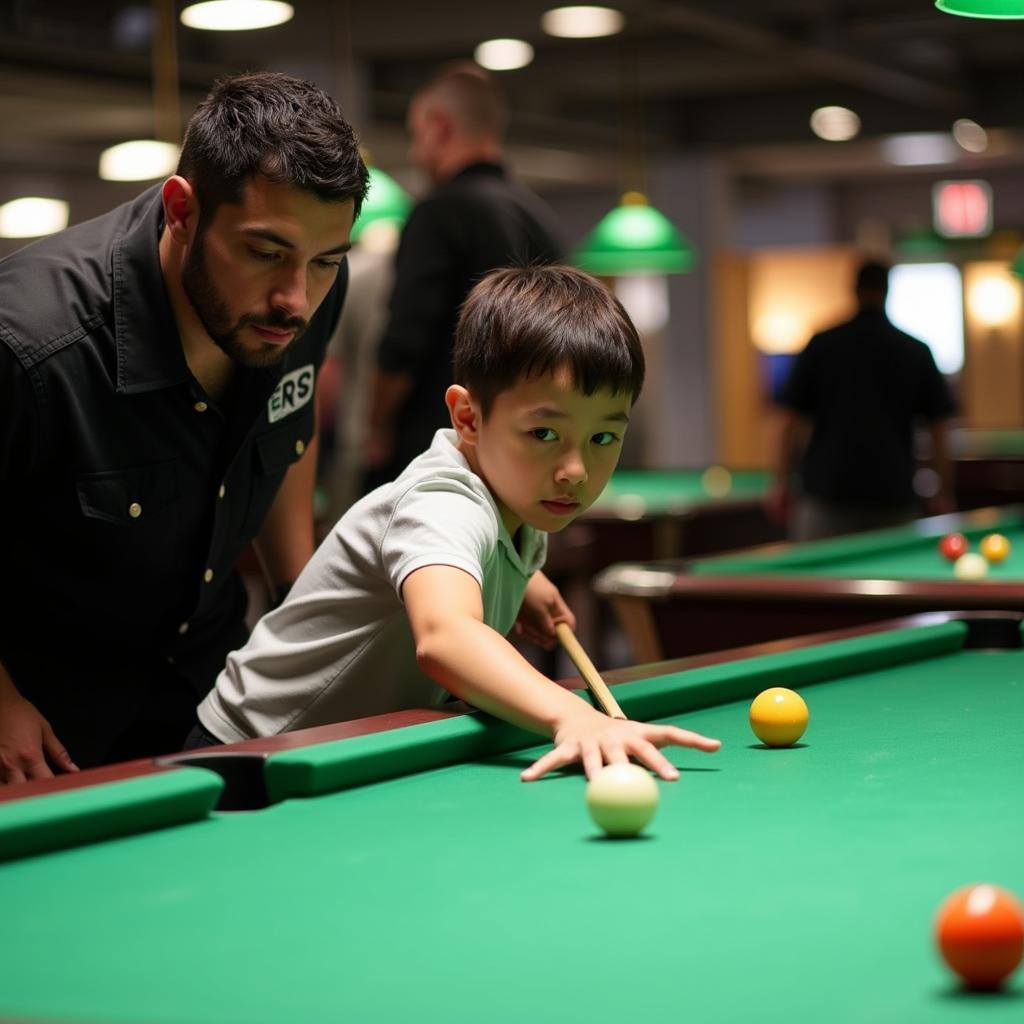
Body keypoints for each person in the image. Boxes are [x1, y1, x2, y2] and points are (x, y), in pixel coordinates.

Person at [192, 266, 721, 781]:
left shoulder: (515, 497)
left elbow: (471, 548)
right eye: (543, 433)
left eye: (603, 438)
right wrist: (573, 714)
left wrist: (525, 578)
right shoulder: (441, 501)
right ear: (468, 418)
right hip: (248, 753)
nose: (575, 471)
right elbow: (445, 636)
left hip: (322, 756)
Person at [0, 72, 369, 782]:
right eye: (265, 252)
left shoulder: (308, 296)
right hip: (48, 738)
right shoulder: (29, 348)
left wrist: (301, 595)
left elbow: (287, 424)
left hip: (212, 702)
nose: (295, 299)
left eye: (324, 261)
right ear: (182, 211)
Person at [363, 62, 564, 492]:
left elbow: (404, 343)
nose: (416, 154)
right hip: (528, 457)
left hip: (443, 455)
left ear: (439, 126)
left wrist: (375, 427)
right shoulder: (540, 219)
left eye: (416, 137)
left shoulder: (437, 213)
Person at [769, 259, 957, 540]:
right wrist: (943, 491)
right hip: (892, 495)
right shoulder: (915, 350)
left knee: (814, 583)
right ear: (887, 291)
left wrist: (780, 482)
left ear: (854, 290)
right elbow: (940, 428)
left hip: (827, 494)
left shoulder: (822, 344)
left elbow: (790, 422)